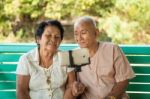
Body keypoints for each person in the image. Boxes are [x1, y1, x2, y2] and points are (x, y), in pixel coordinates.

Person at [73, 16, 135, 99]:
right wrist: (76, 88)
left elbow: (123, 81)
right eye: (76, 34)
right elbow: (71, 84)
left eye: (83, 33)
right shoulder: (76, 55)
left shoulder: (112, 49)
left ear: (96, 32)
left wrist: (110, 97)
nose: (79, 38)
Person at [16, 20, 78, 99]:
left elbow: (70, 86)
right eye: (48, 35)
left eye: (57, 37)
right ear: (38, 39)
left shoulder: (66, 57)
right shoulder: (26, 60)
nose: (53, 39)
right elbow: (22, 91)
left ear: (60, 41)